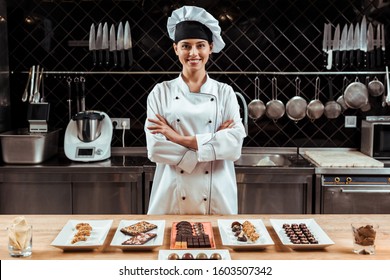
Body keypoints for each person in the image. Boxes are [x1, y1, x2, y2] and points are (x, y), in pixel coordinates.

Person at [144, 5, 246, 215]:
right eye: (186, 46)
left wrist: (177, 138)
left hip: (216, 195)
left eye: (200, 45)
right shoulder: (160, 92)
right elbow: (155, 149)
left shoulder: (225, 92)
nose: (193, 53)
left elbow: (234, 147)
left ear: (210, 47)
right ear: (176, 49)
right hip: (171, 195)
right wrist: (214, 141)